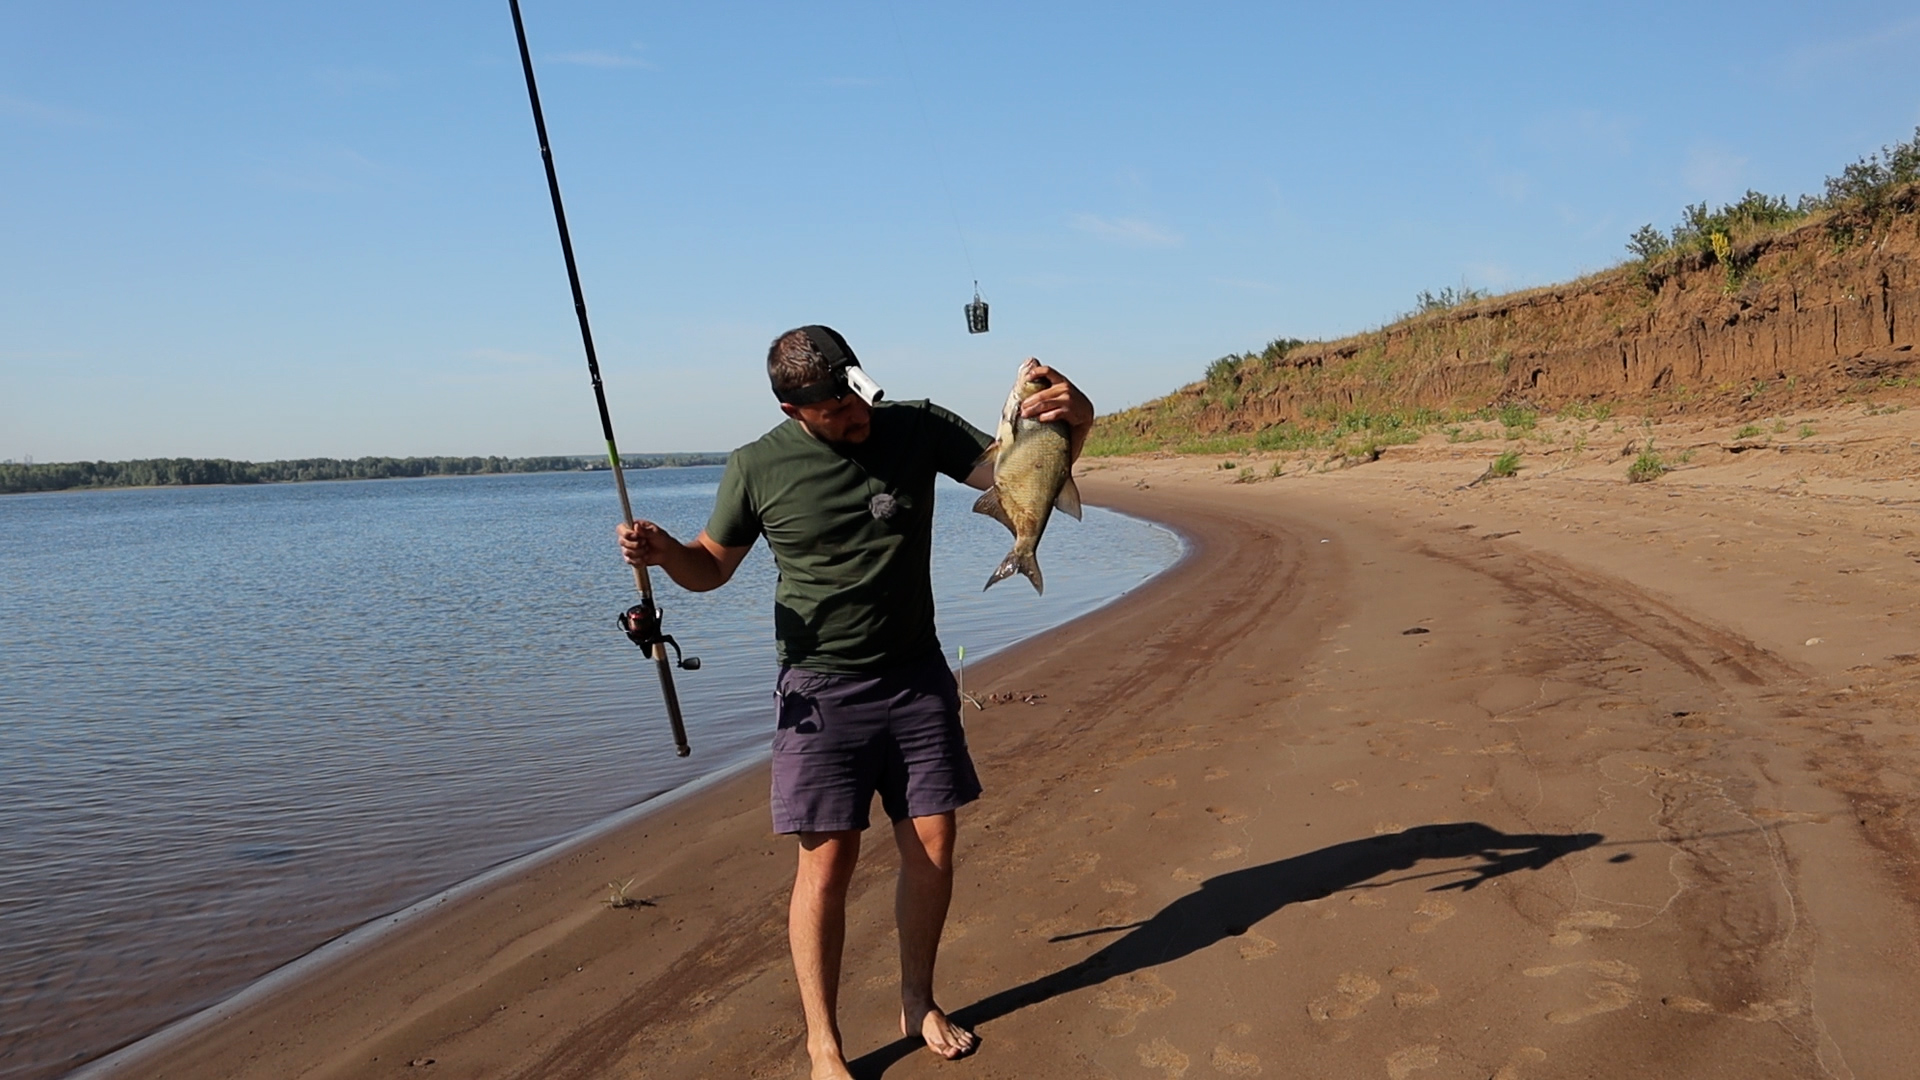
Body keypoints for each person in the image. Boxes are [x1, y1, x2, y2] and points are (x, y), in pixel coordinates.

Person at [616, 325, 1093, 1079]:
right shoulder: (756, 466)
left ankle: (917, 999)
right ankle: (823, 1043)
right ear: (793, 409)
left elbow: (1016, 475)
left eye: (857, 397)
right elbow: (710, 568)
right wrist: (666, 553)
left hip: (916, 676)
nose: (855, 416)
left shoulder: (917, 425)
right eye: (835, 410)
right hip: (818, 688)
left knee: (934, 844)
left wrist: (1076, 420)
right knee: (827, 864)